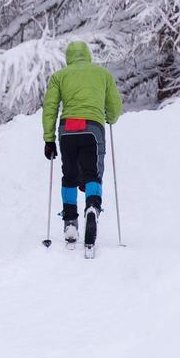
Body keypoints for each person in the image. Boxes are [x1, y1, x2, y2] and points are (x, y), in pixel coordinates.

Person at [42, 41, 123, 254]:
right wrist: (110, 117)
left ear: (68, 57)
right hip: (92, 129)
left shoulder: (60, 76)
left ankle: (70, 222)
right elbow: (114, 105)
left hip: (67, 129)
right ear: (88, 55)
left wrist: (49, 139)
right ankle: (92, 208)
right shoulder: (102, 74)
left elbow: (50, 107)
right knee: (92, 174)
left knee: (68, 174)